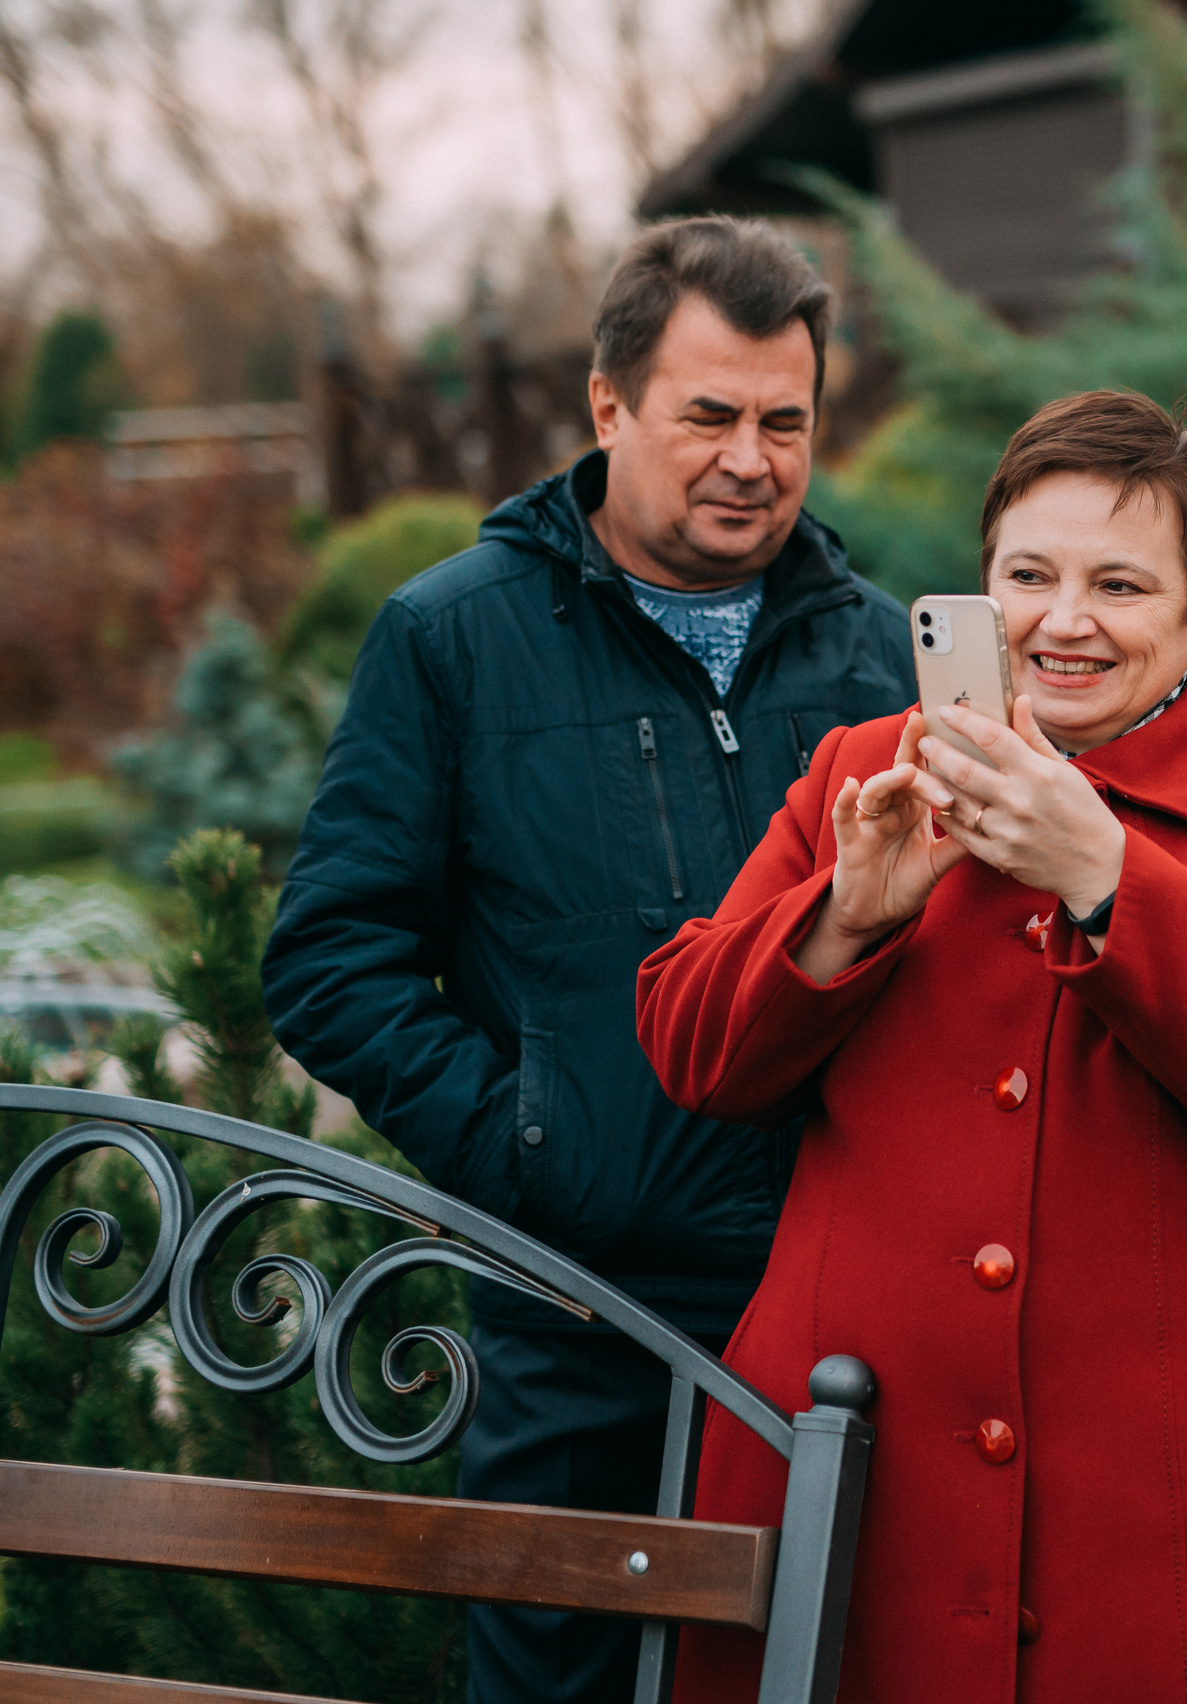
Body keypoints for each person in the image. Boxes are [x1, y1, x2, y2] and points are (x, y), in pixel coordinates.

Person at [635, 389, 1187, 1703]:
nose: (1064, 621)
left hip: (1165, 1508)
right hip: (860, 1464)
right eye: (1029, 576)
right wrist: (848, 914)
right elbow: (691, 1050)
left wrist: (1111, 876)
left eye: (1120, 583)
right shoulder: (863, 772)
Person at [263, 217, 915, 1704]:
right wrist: (529, 1153)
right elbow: (330, 957)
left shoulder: (880, 657)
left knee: (825, 1671)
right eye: (710, 416)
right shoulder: (452, 638)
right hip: (576, 1316)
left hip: (845, 1308)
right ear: (609, 407)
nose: (751, 458)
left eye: (784, 422)